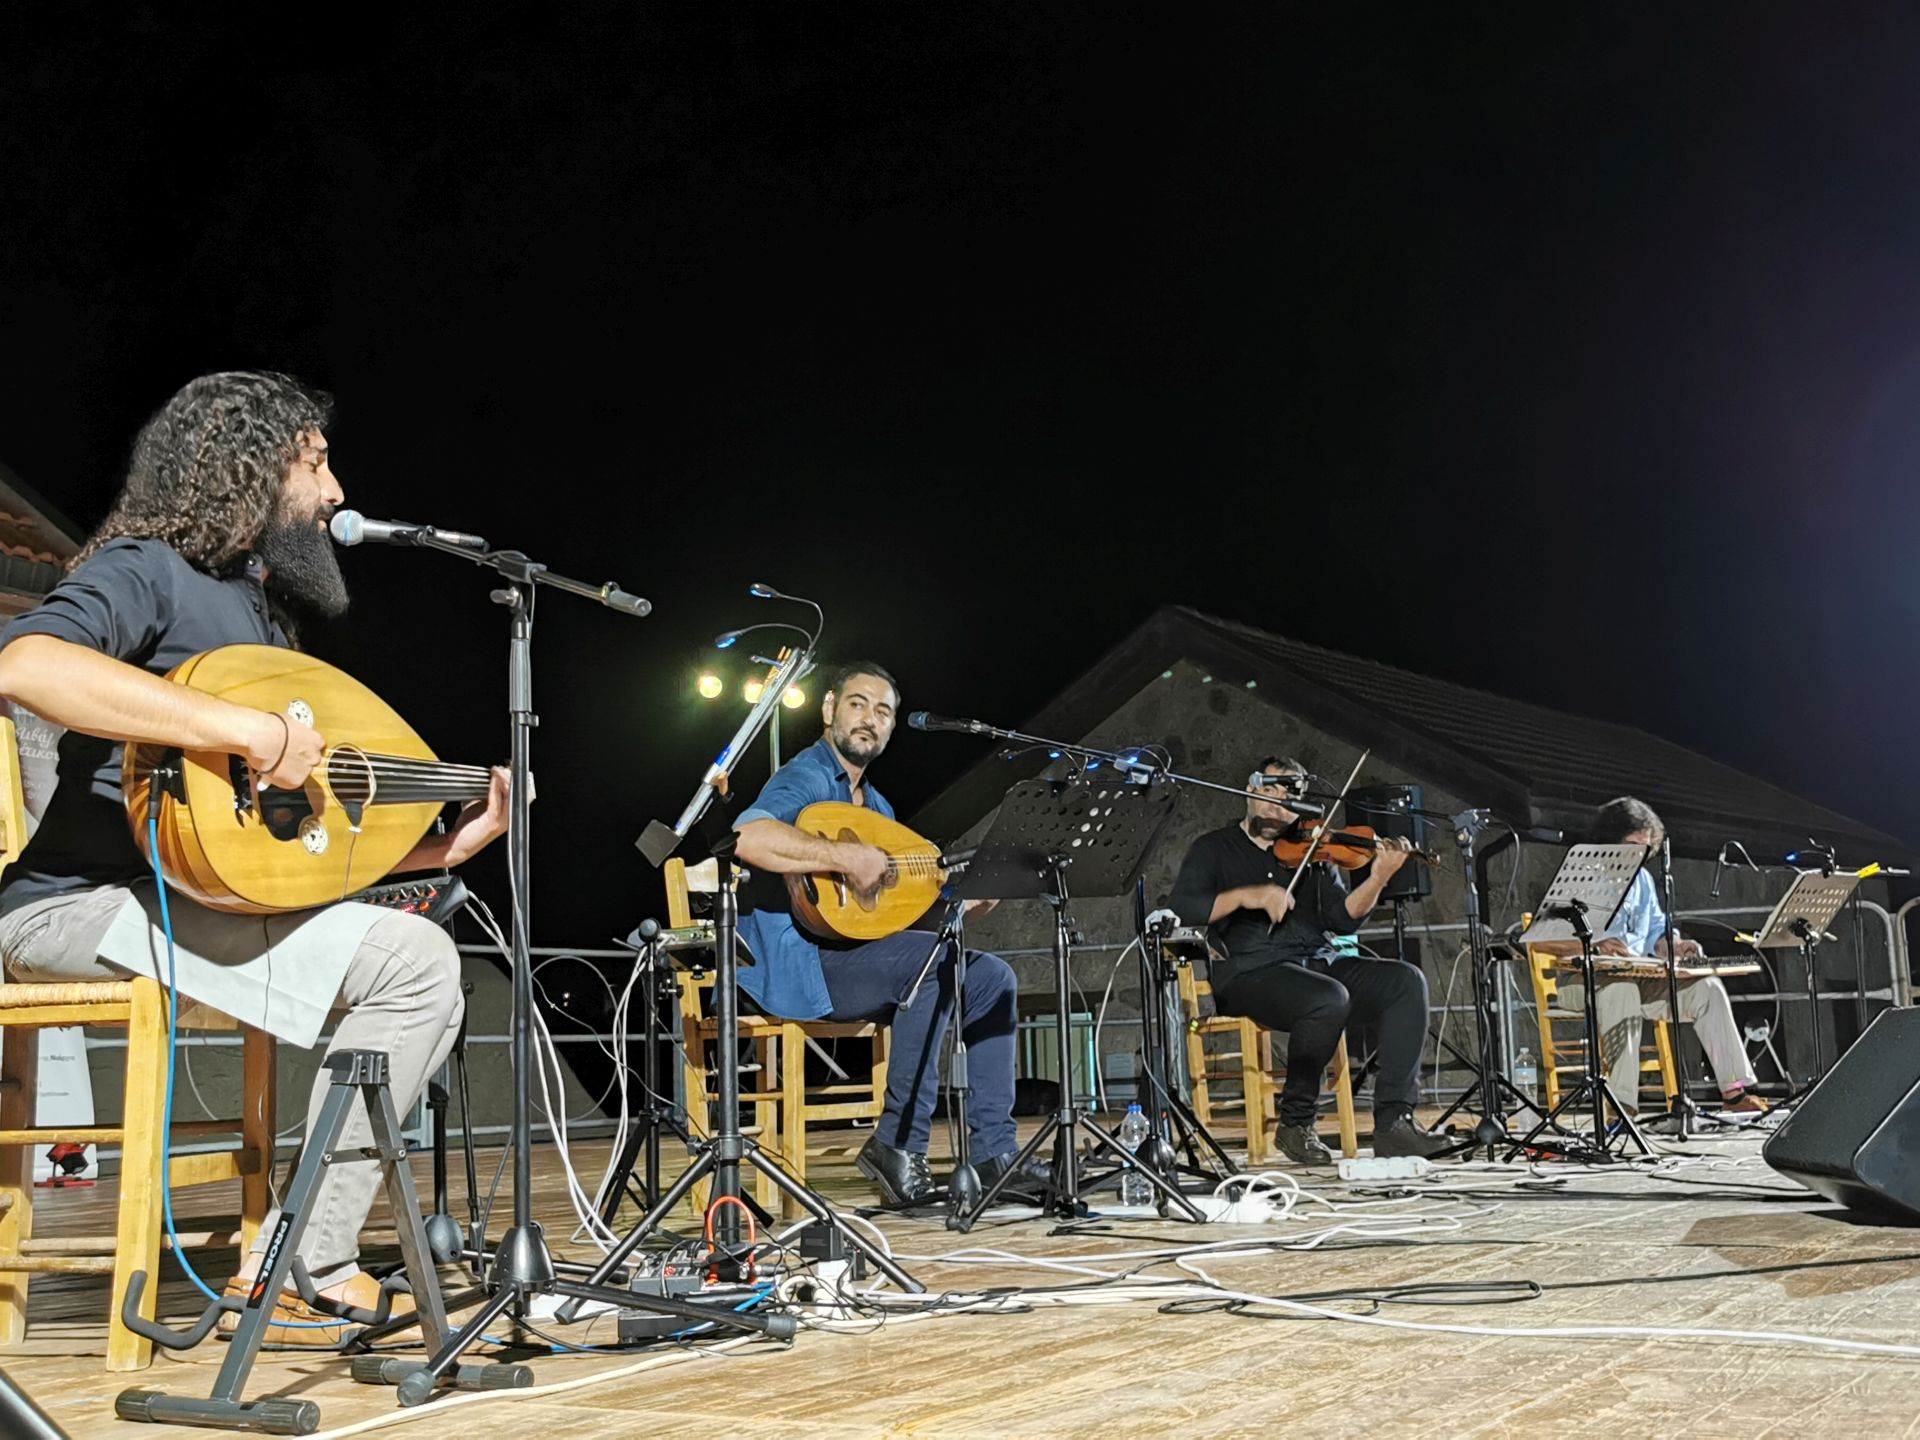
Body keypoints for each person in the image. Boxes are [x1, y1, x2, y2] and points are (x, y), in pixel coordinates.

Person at [0, 372, 516, 1344]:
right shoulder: (147, 569)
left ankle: (292, 1256)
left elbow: (270, 864)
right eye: (315, 463)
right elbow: (25, 665)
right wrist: (244, 727)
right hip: (70, 905)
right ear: (248, 466)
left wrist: (448, 845)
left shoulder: (263, 621)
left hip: (193, 907)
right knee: (417, 966)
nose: (335, 491)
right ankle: (299, 1269)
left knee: (420, 970)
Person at [731, 663, 1043, 1205]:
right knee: (932, 966)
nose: (869, 719)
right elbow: (747, 837)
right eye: (858, 704)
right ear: (829, 709)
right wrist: (842, 855)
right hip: (796, 965)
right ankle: (897, 1143)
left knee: (992, 977)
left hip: (853, 960)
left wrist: (961, 903)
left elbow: (892, 922)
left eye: (883, 712)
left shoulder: (877, 810)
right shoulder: (807, 777)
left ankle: (994, 1153)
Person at [1168, 757, 1452, 1165]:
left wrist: (1378, 878)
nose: (1276, 804)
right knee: (1328, 997)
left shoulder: (1314, 850)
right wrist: (1248, 896)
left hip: (1318, 962)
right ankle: (1297, 1123)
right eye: (1268, 790)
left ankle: (1394, 1124)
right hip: (1250, 972)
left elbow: (1342, 919)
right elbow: (1183, 910)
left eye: (1288, 798)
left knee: (1405, 981)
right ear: (1249, 791)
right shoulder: (1213, 848)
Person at [1550, 796, 1766, 1116]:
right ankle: (1622, 1106)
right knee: (1622, 990)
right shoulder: (1581, 874)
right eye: (1631, 845)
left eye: (1644, 848)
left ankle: (1733, 1093)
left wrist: (1674, 944)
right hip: (1582, 982)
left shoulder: (1643, 881)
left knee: (1707, 989)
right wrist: (1597, 942)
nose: (1638, 855)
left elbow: (1655, 932)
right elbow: (1547, 937)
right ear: (1611, 838)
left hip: (1639, 980)